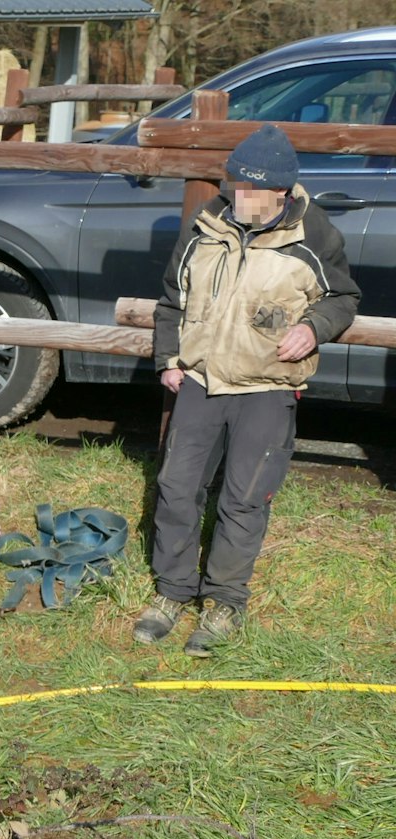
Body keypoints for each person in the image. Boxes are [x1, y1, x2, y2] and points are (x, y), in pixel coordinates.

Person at [134, 124, 358, 658]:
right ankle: (172, 592)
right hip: (202, 381)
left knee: (244, 498)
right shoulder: (205, 225)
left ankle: (224, 603)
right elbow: (172, 298)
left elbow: (343, 297)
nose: (243, 198)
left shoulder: (315, 235)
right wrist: (169, 360)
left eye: (257, 191)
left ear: (283, 193)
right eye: (238, 186)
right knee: (176, 488)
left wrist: (315, 327)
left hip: (268, 388)